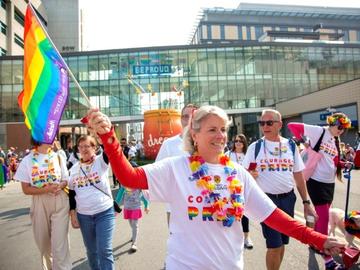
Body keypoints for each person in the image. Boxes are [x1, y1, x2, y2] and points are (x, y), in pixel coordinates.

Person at [85, 106, 345, 270]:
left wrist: (320, 240)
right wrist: (109, 138)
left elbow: (275, 217)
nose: (220, 135)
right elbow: (129, 178)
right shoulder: (176, 167)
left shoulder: (238, 173)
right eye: (212, 129)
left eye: (223, 129)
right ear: (194, 135)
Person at [242, 109, 317, 270]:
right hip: (267, 201)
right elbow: (242, 176)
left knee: (282, 242)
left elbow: (298, 175)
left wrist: (306, 202)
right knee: (274, 245)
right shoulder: (255, 147)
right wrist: (250, 174)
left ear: (280, 124)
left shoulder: (290, 145)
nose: (265, 126)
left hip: (288, 199)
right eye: (262, 123)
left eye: (269, 122)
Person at [288, 112, 352, 270]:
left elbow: (333, 161)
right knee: (323, 219)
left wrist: (345, 164)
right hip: (316, 181)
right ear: (332, 123)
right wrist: (305, 144)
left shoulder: (335, 139)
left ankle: (314, 242)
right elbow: (292, 126)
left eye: (344, 128)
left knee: (321, 217)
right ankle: (328, 259)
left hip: (329, 183)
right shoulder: (320, 131)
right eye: (340, 126)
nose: (341, 130)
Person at [14, 138, 71, 270]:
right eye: (50, 136)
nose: (54, 139)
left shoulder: (58, 157)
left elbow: (66, 179)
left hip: (60, 200)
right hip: (39, 202)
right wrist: (46, 189)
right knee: (44, 244)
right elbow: (26, 189)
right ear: (39, 138)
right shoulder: (27, 161)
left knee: (60, 244)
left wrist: (60, 185)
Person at [68, 135, 115, 270]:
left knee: (104, 250)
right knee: (92, 252)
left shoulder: (101, 162)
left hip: (104, 212)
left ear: (95, 148)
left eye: (87, 146)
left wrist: (103, 136)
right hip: (84, 216)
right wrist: (73, 214)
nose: (83, 149)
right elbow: (71, 193)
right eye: (81, 147)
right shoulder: (74, 169)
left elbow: (110, 149)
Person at [155, 103, 198, 226]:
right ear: (180, 119)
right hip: (176, 207)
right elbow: (158, 172)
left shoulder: (206, 143)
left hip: (204, 206)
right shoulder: (169, 144)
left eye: (193, 116)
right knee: (178, 243)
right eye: (185, 116)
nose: (189, 119)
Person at [225, 134, 254, 249]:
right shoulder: (228, 155)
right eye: (236, 141)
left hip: (245, 188)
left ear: (244, 143)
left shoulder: (248, 155)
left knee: (244, 214)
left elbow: (253, 170)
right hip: (230, 189)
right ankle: (231, 239)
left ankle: (247, 237)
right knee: (231, 213)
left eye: (240, 141)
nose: (238, 143)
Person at [115, 179, 149, 252]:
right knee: (131, 224)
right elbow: (119, 197)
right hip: (127, 208)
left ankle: (134, 243)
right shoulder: (124, 185)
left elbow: (143, 196)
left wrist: (146, 205)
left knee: (135, 225)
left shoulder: (138, 185)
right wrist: (115, 208)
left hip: (136, 208)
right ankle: (134, 235)